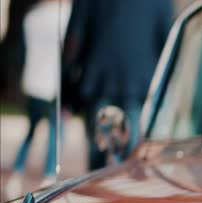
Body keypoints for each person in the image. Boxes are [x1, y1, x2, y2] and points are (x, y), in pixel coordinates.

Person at [63, 0, 173, 171]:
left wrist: (67, 90)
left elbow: (75, 38)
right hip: (139, 84)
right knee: (133, 164)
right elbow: (167, 41)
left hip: (101, 82)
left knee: (97, 166)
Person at [5, 0, 70, 200]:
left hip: (34, 81)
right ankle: (50, 175)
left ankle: (17, 171)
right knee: (56, 131)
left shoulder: (32, 17)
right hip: (55, 84)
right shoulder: (65, 15)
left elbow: (24, 52)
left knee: (31, 130)